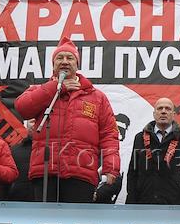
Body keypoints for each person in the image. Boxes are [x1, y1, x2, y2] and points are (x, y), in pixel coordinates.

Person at [13, 37, 121, 202]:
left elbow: (109, 135)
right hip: (45, 172)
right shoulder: (41, 90)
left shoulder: (96, 97)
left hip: (81, 173)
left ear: (77, 64)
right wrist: (56, 88)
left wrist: (111, 167)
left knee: (77, 218)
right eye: (59, 58)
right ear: (53, 64)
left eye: (69, 58)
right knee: (46, 219)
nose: (64, 61)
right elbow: (22, 108)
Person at [126, 97, 180, 205]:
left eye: (168, 109)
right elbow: (133, 172)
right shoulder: (140, 138)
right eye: (160, 108)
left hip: (176, 203)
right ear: (154, 114)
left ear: (173, 114)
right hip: (145, 201)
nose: (163, 111)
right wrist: (131, 202)